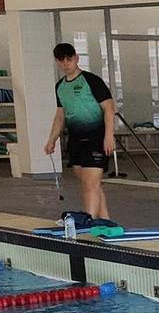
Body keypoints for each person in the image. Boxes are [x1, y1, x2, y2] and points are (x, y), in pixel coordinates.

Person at [44, 42, 116, 223]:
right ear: (57, 62)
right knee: (89, 184)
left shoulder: (92, 81)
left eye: (69, 59)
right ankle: (106, 219)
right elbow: (60, 116)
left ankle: (88, 221)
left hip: (96, 138)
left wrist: (109, 136)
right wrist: (52, 139)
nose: (65, 64)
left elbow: (109, 108)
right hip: (76, 140)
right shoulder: (60, 86)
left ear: (76, 58)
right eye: (61, 61)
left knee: (91, 185)